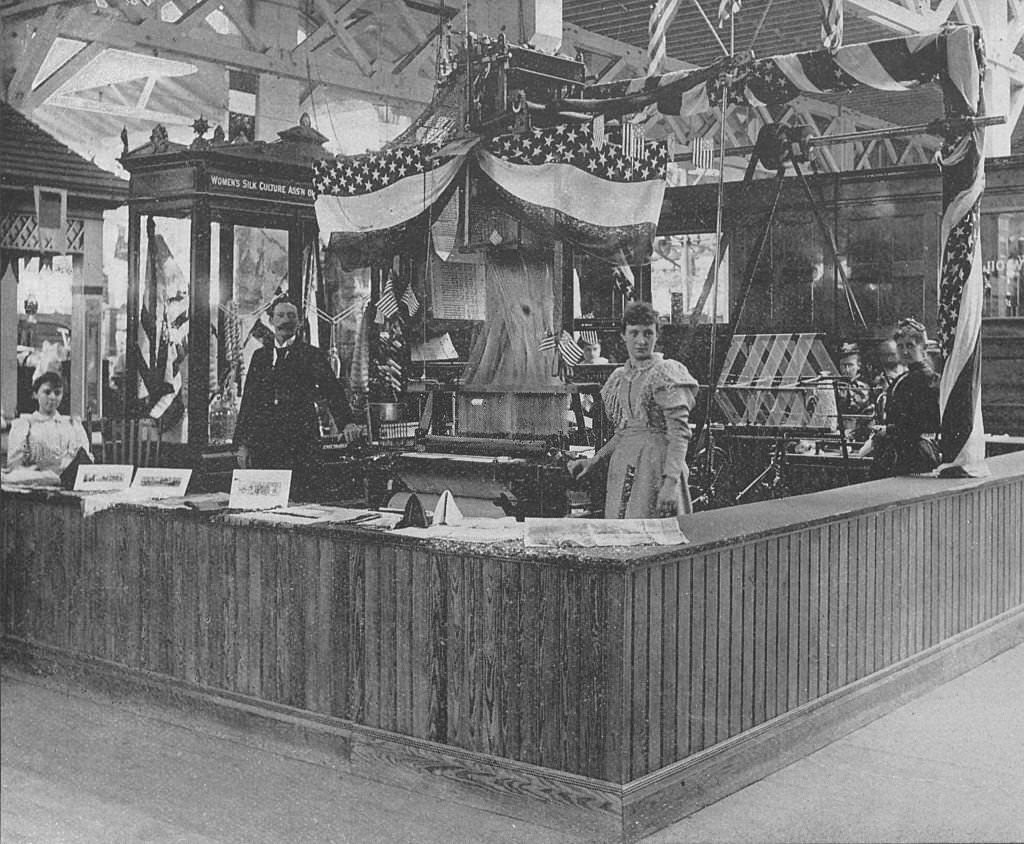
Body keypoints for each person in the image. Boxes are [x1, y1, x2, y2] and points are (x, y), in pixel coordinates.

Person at [569, 301, 698, 518]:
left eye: (648, 333)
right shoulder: (621, 377)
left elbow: (680, 434)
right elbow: (624, 431)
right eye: (634, 333)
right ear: (623, 335)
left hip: (656, 468)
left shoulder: (665, 373)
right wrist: (595, 460)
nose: (641, 340)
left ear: (657, 336)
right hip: (624, 464)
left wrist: (670, 483)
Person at [233, 298, 362, 499]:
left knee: (301, 498)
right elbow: (249, 401)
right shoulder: (260, 357)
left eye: (291, 316)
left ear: (300, 322)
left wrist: (347, 423)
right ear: (271, 320)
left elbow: (332, 390)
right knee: (264, 501)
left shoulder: (311, 355)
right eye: (281, 316)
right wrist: (242, 444)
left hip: (300, 442)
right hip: (264, 444)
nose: (286, 320)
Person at [860, 318, 941, 478]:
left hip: (914, 454)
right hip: (898, 450)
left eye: (910, 346)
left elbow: (923, 423)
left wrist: (887, 430)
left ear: (923, 348)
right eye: (900, 346)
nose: (904, 351)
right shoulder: (905, 377)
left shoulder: (927, 379)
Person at [4, 372, 91, 474]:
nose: (52, 397)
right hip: (37, 480)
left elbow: (85, 459)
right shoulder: (25, 424)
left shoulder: (72, 424)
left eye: (57, 393)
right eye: (47, 392)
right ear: (35, 394)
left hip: (69, 481)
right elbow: (14, 465)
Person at [869, 338, 906, 424]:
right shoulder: (876, 378)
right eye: (884, 355)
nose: (889, 358)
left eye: (892, 354)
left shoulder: (907, 374)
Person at [835, 342, 873, 417]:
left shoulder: (865, 388)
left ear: (858, 366)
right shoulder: (834, 388)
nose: (847, 370)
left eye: (850, 365)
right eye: (843, 365)